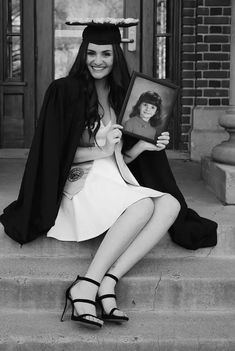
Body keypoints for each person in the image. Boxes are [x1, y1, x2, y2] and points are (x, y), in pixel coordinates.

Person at [0, 19, 217, 329]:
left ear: (116, 56)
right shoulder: (63, 91)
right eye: (91, 53)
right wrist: (100, 150)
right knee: (143, 206)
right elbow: (54, 155)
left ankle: (107, 280)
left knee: (169, 204)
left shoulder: (124, 96)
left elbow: (121, 157)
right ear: (82, 54)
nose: (97, 61)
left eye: (105, 54)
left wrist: (145, 148)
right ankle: (86, 284)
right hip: (80, 183)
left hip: (115, 178)